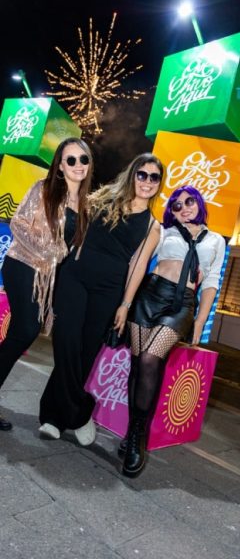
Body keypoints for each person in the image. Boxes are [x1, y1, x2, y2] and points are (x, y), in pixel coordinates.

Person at [38, 153, 162, 446]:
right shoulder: (100, 199)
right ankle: (81, 412)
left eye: (153, 177)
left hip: (109, 292)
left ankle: (54, 418)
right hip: (74, 278)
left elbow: (137, 267)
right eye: (141, 174)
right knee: (66, 343)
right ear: (132, 174)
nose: (146, 181)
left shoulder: (152, 225)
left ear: (158, 184)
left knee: (85, 353)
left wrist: (125, 304)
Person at [120, 185, 225, 477]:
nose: (184, 209)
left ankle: (137, 438)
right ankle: (131, 434)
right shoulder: (163, 231)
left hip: (182, 305)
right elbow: (139, 263)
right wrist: (125, 302)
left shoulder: (216, 240)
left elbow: (212, 282)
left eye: (189, 202)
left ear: (199, 203)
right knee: (139, 365)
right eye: (176, 206)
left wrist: (201, 322)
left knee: (151, 360)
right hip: (149, 296)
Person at [0, 138, 93, 431]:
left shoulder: (88, 205)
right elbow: (18, 224)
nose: (78, 165)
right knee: (25, 329)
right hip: (23, 264)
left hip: (48, 278)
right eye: (71, 159)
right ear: (60, 165)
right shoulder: (45, 189)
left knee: (23, 334)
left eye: (83, 159)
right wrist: (53, 252)